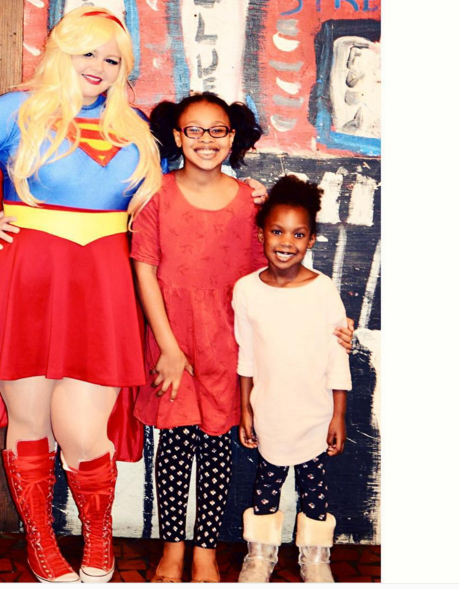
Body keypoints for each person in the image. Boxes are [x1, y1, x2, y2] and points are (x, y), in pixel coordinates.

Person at [0, 7, 162, 583]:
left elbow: (180, 185)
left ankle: (98, 537)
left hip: (104, 287)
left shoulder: (136, 124)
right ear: (60, 51)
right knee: (30, 421)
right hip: (26, 284)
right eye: (87, 52)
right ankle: (40, 540)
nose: (99, 66)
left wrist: (244, 189)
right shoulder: (19, 110)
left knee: (85, 432)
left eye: (111, 58)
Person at [130, 94, 354, 583]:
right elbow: (145, 273)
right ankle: (173, 548)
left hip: (228, 346)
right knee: (174, 449)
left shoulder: (250, 203)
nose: (206, 140)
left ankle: (206, 551)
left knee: (216, 451)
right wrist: (168, 347)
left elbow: (276, 279)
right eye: (194, 130)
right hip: (172, 341)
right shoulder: (156, 197)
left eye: (218, 130)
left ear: (232, 137)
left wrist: (330, 325)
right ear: (177, 136)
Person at [233, 175, 352, 583]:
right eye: (277, 231)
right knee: (266, 485)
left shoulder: (323, 290)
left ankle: (315, 556)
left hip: (314, 414)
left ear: (312, 239)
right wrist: (246, 410)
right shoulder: (246, 290)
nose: (287, 242)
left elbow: (337, 357)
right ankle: (260, 554)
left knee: (315, 490)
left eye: (298, 234)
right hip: (270, 413)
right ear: (261, 234)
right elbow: (247, 356)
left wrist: (338, 415)